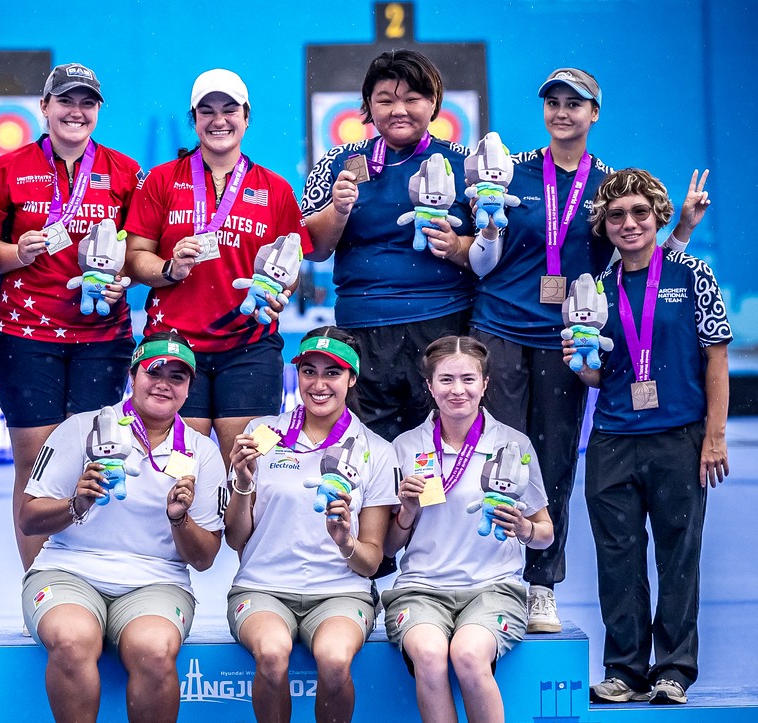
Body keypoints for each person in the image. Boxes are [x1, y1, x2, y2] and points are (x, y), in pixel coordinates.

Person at [467, 67, 712, 632]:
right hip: (500, 329)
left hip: (565, 342)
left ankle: (540, 584)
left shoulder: (607, 189)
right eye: (552, 102)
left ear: (594, 113)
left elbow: (640, 256)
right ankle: (487, 577)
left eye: (574, 104)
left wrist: (683, 236)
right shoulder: (513, 171)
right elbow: (484, 246)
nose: (562, 112)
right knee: (494, 458)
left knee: (552, 463)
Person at [564, 169, 730, 706]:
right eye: (616, 216)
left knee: (679, 557)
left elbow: (717, 360)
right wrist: (580, 366)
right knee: (618, 559)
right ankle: (625, 670)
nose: (629, 223)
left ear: (659, 217)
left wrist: (715, 438)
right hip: (612, 438)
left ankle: (674, 669)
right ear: (604, 225)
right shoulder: (595, 290)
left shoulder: (692, 274)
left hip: (679, 438)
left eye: (639, 213)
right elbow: (598, 375)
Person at [0, 63, 142, 571]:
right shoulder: (9, 169)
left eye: (87, 102)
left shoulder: (124, 171)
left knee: (97, 460)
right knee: (34, 463)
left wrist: (126, 279)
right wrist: (16, 252)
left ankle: (89, 577)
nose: (76, 111)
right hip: (26, 335)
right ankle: (38, 583)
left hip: (102, 336)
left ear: (98, 111)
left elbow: (139, 252)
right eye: (65, 101)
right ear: (44, 107)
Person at [19, 333, 226, 723]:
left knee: (154, 649)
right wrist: (74, 504)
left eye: (177, 377)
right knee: (72, 639)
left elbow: (204, 559)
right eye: (154, 371)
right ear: (133, 376)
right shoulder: (82, 428)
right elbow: (28, 519)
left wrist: (179, 518)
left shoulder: (202, 452)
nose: (164, 382)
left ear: (188, 391)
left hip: (156, 581)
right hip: (69, 570)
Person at [124, 68, 312, 462]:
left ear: (246, 116)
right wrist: (169, 269)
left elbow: (291, 265)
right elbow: (135, 256)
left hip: (249, 349)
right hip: (173, 347)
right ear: (193, 120)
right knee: (177, 473)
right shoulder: (161, 180)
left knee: (249, 470)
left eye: (230, 109)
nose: (219, 120)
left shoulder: (275, 188)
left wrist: (279, 292)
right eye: (206, 111)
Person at [224, 326, 398, 722]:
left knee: (335, 661)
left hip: (341, 593)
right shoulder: (261, 434)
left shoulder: (377, 450)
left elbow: (371, 563)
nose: (319, 384)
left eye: (332, 373)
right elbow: (236, 539)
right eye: (309, 371)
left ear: (352, 378)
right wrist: (242, 484)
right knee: (271, 653)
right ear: (296, 374)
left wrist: (345, 541)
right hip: (263, 586)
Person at [301, 49, 475, 442]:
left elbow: (493, 248)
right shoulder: (337, 162)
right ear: (367, 106)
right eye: (385, 99)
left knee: (442, 448)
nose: (399, 109)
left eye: (412, 99)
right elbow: (312, 249)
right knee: (368, 453)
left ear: (433, 104)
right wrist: (339, 209)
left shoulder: (466, 163)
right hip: (363, 328)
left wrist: (457, 246)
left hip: (443, 325)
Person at [383, 336, 553, 723]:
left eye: (467, 379)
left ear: (485, 383)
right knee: (429, 654)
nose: (457, 390)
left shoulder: (513, 444)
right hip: (421, 589)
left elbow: (546, 532)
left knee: (467, 654)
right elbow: (390, 548)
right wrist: (406, 510)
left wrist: (524, 528)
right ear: (429, 386)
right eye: (445, 380)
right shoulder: (405, 447)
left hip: (494, 588)